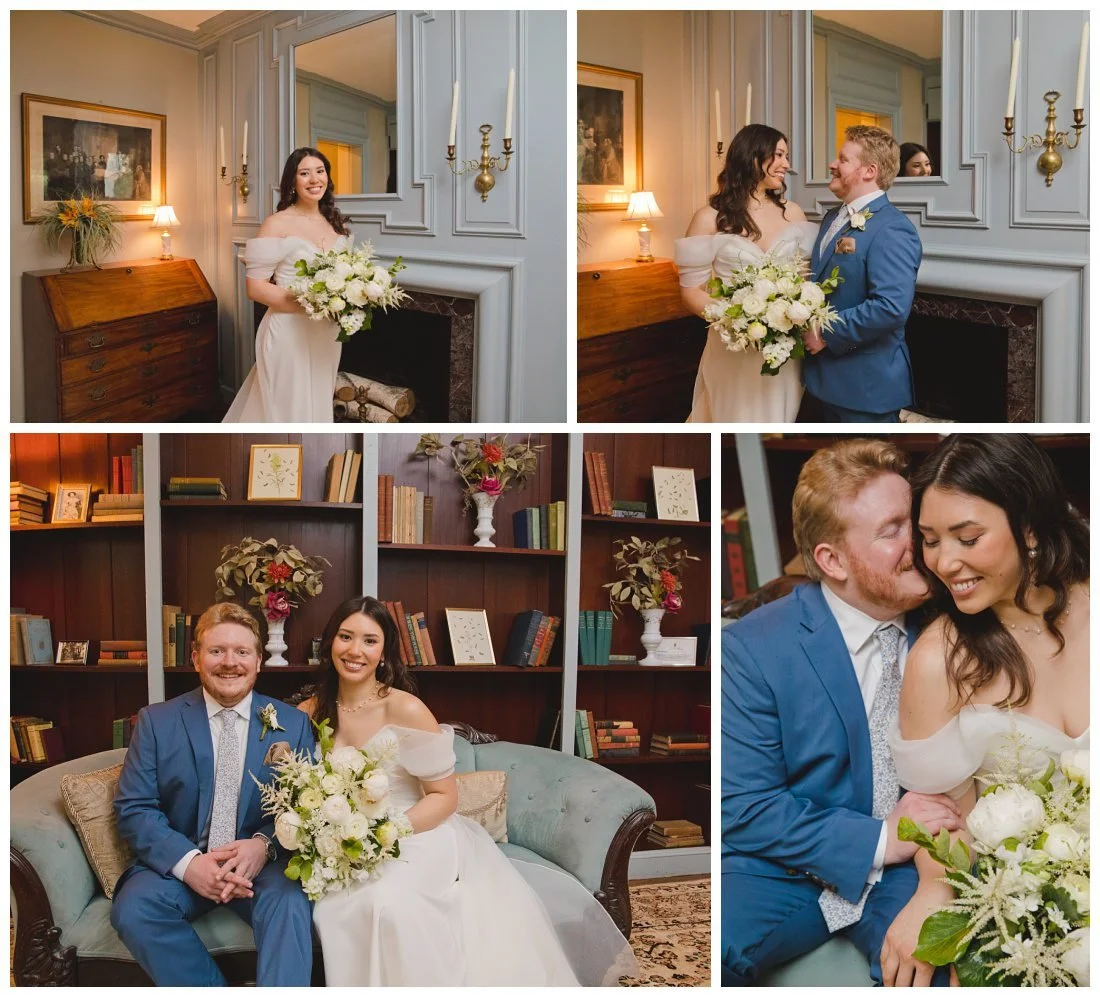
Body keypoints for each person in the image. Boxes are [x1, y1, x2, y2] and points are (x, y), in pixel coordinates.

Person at [299, 596, 636, 986]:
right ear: (330, 642)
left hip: (416, 833)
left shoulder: (406, 709)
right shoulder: (309, 711)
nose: (355, 650)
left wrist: (383, 834)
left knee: (386, 903)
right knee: (334, 909)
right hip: (345, 843)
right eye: (346, 637)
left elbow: (444, 797)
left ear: (384, 652)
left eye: (369, 640)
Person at [722, 438, 956, 986]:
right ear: (832, 560)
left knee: (938, 969)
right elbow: (746, 806)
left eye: (914, 520)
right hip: (781, 870)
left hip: (911, 869)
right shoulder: (753, 647)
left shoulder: (959, 624)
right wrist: (878, 840)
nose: (919, 542)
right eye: (892, 530)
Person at [884, 434, 1089, 985]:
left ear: (1029, 527)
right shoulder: (939, 662)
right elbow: (941, 811)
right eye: (930, 541)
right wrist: (936, 891)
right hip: (1029, 904)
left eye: (968, 538)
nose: (945, 562)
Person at [111, 602, 316, 986]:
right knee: (135, 909)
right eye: (217, 651)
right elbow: (134, 808)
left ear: (258, 661)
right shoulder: (157, 721)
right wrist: (190, 864)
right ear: (196, 659)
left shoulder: (293, 724)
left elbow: (305, 808)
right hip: (184, 859)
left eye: (242, 652)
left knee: (290, 903)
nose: (230, 663)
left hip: (259, 868)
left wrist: (263, 846)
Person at [675, 124, 819, 422]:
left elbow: (804, 280)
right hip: (733, 347)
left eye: (787, 156)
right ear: (753, 156)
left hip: (782, 349)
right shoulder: (709, 217)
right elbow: (690, 292)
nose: (786, 164)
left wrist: (791, 316)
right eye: (779, 155)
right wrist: (737, 321)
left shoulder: (793, 213)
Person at [802, 125, 922, 422]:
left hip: (866, 390)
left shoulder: (893, 228)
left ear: (869, 171)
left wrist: (825, 333)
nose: (832, 164)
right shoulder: (833, 217)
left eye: (843, 159)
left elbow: (890, 307)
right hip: (824, 381)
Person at [223, 147, 351, 422]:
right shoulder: (276, 223)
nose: (314, 179)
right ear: (292, 181)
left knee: (318, 406)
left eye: (320, 171)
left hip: (326, 335)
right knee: (286, 411)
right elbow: (255, 288)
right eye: (304, 173)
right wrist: (313, 304)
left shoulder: (334, 223)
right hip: (288, 332)